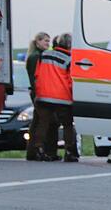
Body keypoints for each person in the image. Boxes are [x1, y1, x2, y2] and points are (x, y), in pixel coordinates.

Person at [32, 33, 79, 162]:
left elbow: (37, 74)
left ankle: (39, 150)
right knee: (68, 124)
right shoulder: (69, 59)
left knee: (43, 123)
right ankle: (69, 151)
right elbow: (71, 80)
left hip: (43, 96)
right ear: (70, 45)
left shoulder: (44, 55)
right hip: (62, 97)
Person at [24, 31, 51, 161]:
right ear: (38, 41)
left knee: (36, 121)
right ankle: (37, 149)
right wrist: (39, 92)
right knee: (41, 121)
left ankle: (31, 151)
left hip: (37, 92)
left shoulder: (37, 55)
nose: (48, 43)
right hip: (38, 92)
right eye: (45, 41)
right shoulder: (36, 57)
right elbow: (35, 77)